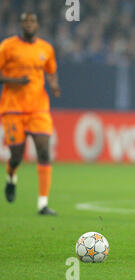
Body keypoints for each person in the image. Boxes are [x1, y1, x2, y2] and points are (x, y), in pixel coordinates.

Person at [0, 13, 60, 215]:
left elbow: (51, 71)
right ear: (20, 24)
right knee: (17, 155)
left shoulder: (46, 48)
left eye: (32, 21)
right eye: (25, 21)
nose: (28, 24)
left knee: (44, 151)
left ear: (37, 25)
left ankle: (42, 204)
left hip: (38, 109)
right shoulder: (7, 46)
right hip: (13, 109)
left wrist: (54, 85)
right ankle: (11, 176)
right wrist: (16, 81)